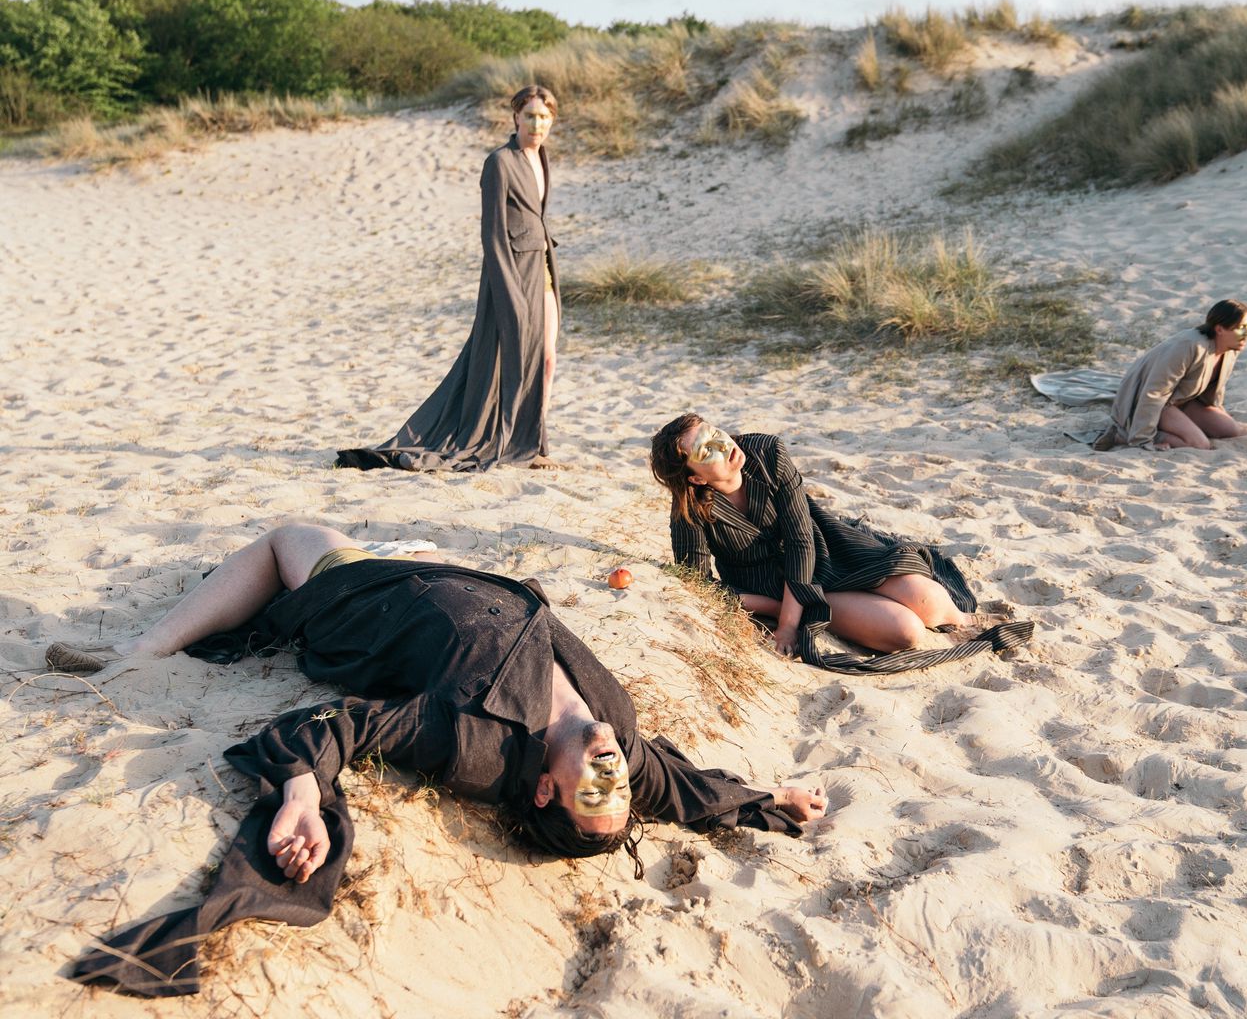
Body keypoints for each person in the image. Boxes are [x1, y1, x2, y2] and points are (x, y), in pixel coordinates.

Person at [55, 523, 827, 997]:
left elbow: (340, 726)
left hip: (368, 598)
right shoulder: (614, 739)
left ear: (549, 792)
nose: (613, 766)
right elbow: (684, 788)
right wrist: (771, 800)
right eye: (619, 778)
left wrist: (298, 798)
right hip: (464, 578)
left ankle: (140, 646)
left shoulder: (476, 744)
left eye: (598, 783)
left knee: (290, 536)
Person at [649, 415, 1033, 674]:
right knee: (907, 633)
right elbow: (699, 584)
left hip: (827, 551)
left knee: (935, 606)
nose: (723, 444)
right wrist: (785, 615)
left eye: (716, 433)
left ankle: (965, 625)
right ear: (695, 478)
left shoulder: (768, 452)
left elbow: (801, 539)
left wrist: (786, 626)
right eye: (706, 451)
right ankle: (827, 610)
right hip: (772, 585)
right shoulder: (690, 511)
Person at [334, 85, 563, 472]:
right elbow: (491, 234)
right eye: (530, 116)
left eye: (544, 117)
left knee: (547, 359)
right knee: (511, 361)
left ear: (551, 121)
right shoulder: (499, 162)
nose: (536, 124)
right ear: (516, 118)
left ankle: (534, 440)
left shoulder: (541, 157)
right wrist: (508, 291)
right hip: (511, 275)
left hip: (542, 267)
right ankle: (517, 441)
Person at [1094, 299, 1247, 451]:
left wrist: (1217, 412)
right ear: (1219, 329)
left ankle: (1181, 424)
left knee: (1231, 430)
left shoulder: (1230, 348)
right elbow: (1154, 392)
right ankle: (1121, 436)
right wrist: (1142, 438)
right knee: (1199, 444)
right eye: (1242, 327)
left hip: (1183, 401)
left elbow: (1213, 390)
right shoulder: (1189, 346)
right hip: (1154, 403)